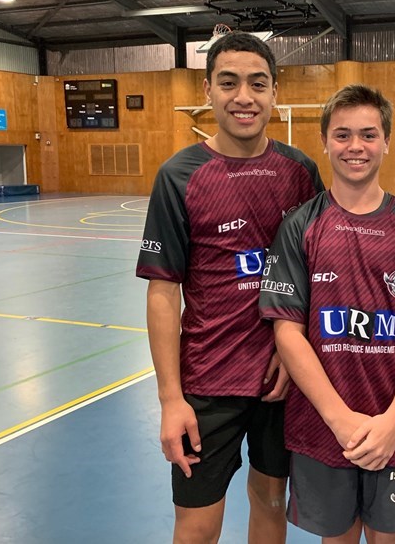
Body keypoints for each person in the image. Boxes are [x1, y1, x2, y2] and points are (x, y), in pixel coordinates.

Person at [136, 32, 324, 543]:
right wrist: (170, 399)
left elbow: (317, 272)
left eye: (257, 84)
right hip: (206, 383)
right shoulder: (180, 176)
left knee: (269, 502)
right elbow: (161, 291)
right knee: (196, 526)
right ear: (208, 89)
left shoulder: (300, 172)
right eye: (229, 82)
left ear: (274, 92)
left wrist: (296, 349)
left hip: (279, 381)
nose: (244, 96)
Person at [259, 84, 395, 542]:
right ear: (325, 141)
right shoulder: (300, 226)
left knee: (391, 537)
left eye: (368, 135)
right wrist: (338, 418)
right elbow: (287, 331)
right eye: (343, 135)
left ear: (387, 141)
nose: (355, 147)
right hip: (321, 427)